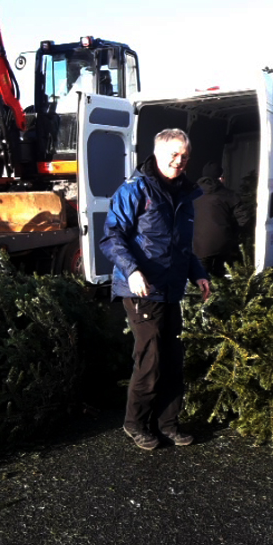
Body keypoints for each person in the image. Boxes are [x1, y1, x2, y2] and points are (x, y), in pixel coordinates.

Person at [100, 128, 211, 450]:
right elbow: (111, 237)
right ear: (158, 153)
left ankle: (169, 424)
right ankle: (136, 423)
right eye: (173, 155)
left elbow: (182, 247)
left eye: (185, 156)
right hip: (141, 290)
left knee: (174, 358)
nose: (179, 161)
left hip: (171, 289)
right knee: (150, 359)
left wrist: (198, 274)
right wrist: (131, 270)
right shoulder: (135, 190)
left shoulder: (185, 194)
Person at [193, 162, 250, 276]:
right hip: (222, 245)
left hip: (197, 246)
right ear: (220, 178)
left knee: (199, 282)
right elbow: (244, 220)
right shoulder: (229, 195)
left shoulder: (192, 194)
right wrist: (233, 235)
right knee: (220, 280)